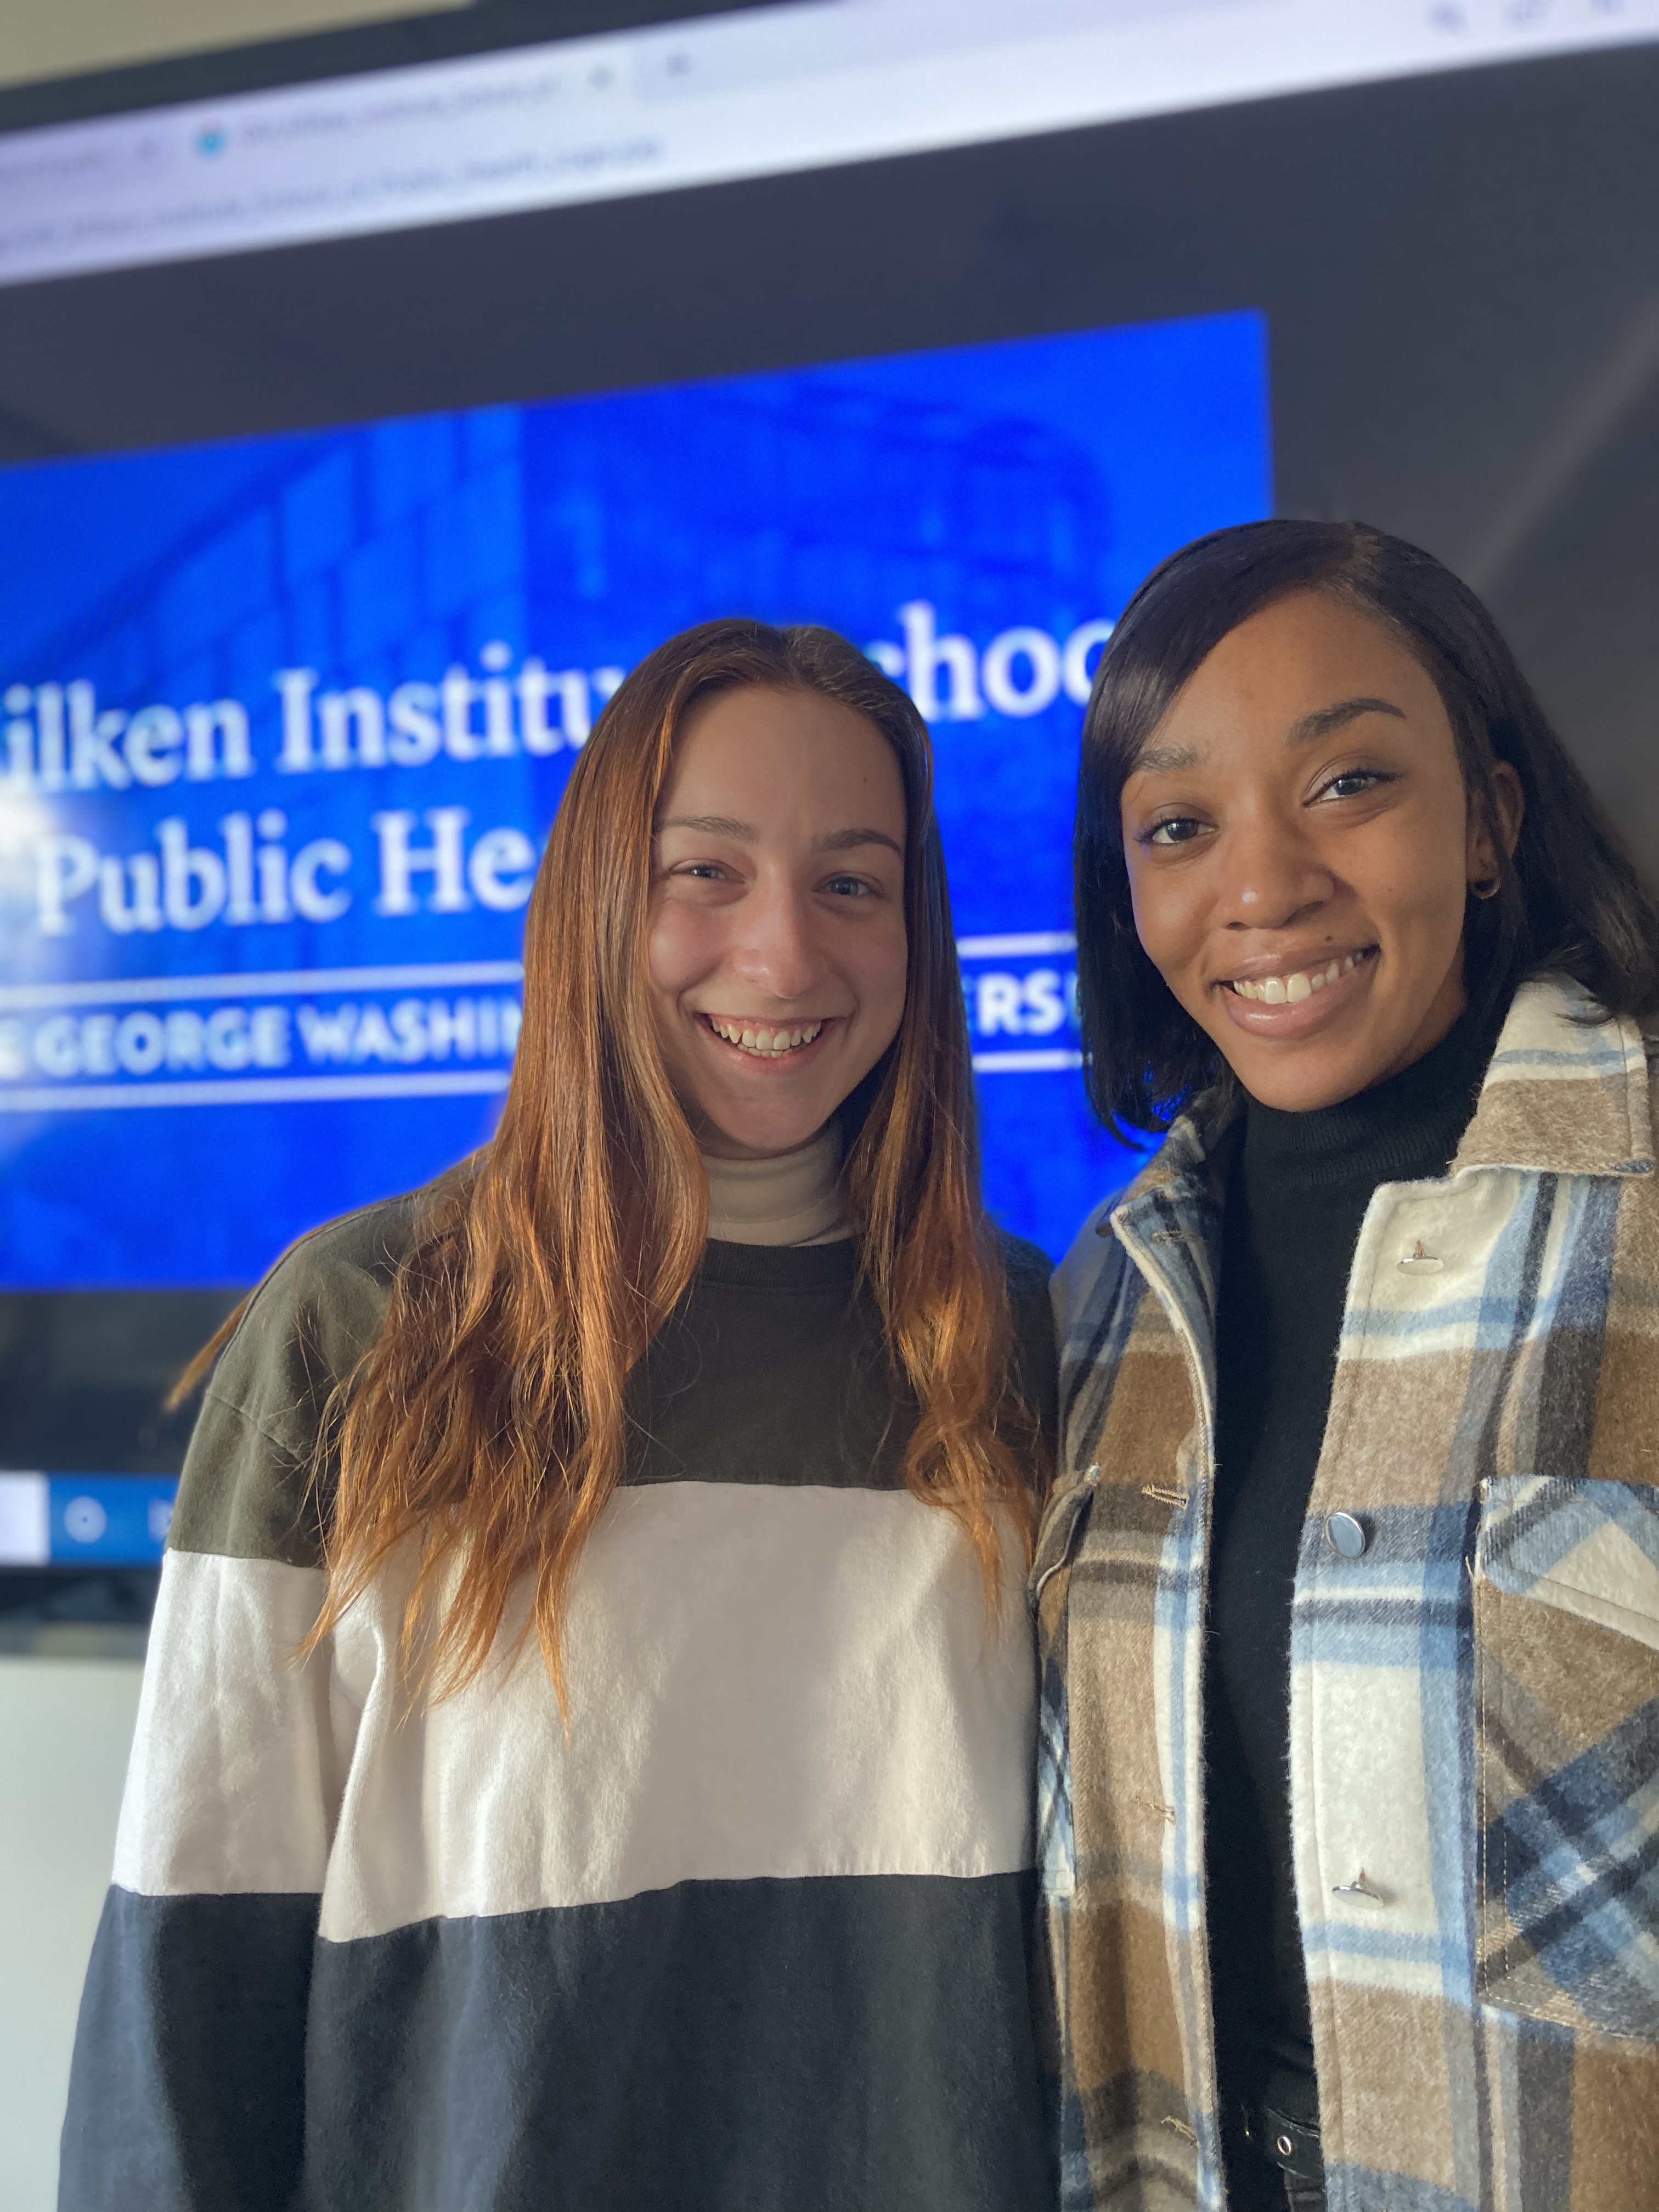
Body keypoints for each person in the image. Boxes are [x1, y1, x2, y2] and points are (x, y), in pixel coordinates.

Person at [61, 619, 1057, 2212]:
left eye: (853, 883)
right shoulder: (361, 1324)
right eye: (706, 872)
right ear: (597, 899)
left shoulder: (1029, 1340)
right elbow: (188, 1992)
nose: (786, 954)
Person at [1035, 520, 1659, 2211]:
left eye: (1347, 785)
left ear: (1491, 822)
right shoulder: (1105, 1302)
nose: (1262, 886)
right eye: (1178, 827)